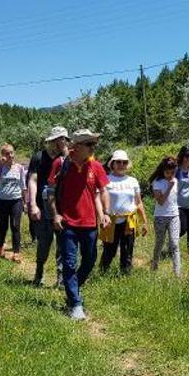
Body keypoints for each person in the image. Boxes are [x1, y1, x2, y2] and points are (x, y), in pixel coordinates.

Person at [47, 129, 111, 321]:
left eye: (94, 144)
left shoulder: (96, 166)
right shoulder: (60, 164)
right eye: (89, 144)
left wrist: (105, 214)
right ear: (77, 146)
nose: (93, 148)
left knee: (90, 260)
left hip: (90, 223)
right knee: (69, 263)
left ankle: (72, 288)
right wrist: (55, 215)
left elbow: (102, 191)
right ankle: (75, 304)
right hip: (67, 223)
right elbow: (50, 193)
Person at [28, 126, 69, 287]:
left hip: (63, 208)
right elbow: (32, 180)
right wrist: (32, 204)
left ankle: (60, 277)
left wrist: (64, 150)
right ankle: (39, 271)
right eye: (56, 140)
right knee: (44, 243)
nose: (59, 143)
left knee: (63, 243)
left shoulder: (67, 159)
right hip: (41, 206)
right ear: (50, 141)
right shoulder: (39, 157)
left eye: (63, 139)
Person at [99, 150, 148, 274]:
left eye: (124, 162)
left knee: (127, 249)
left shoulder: (132, 181)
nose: (121, 164)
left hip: (129, 220)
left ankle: (125, 274)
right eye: (118, 162)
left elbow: (138, 202)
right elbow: (99, 200)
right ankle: (102, 272)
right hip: (111, 220)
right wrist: (101, 216)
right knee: (110, 250)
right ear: (112, 164)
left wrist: (145, 222)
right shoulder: (106, 179)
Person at [0, 144, 26, 263]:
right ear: (2, 155)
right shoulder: (0, 168)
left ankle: (16, 253)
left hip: (16, 200)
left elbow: (23, 186)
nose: (10, 155)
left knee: (15, 226)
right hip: (1, 201)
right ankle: (1, 247)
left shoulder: (19, 168)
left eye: (12, 152)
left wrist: (25, 202)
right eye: (7, 153)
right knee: (3, 226)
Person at [149, 156, 181, 277]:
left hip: (174, 216)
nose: (170, 175)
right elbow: (161, 201)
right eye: (168, 172)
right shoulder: (157, 182)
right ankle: (155, 264)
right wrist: (169, 187)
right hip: (160, 216)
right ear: (163, 170)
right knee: (159, 243)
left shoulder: (176, 180)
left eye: (173, 172)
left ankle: (177, 273)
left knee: (174, 243)